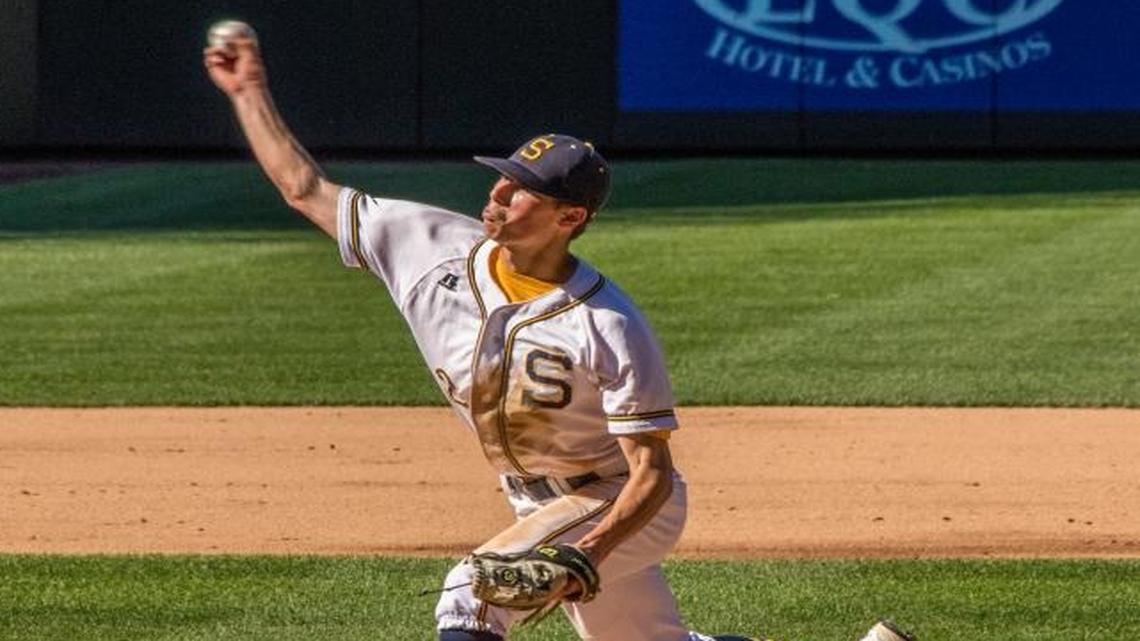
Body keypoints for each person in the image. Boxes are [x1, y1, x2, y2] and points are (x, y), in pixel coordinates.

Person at [203, 31, 915, 641]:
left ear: (569, 218)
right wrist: (248, 91)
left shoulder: (607, 322)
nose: (497, 197)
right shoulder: (425, 245)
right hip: (534, 500)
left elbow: (652, 473)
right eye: (503, 180)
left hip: (620, 501)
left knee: (473, 591)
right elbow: (303, 187)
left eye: (522, 191)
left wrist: (592, 553)